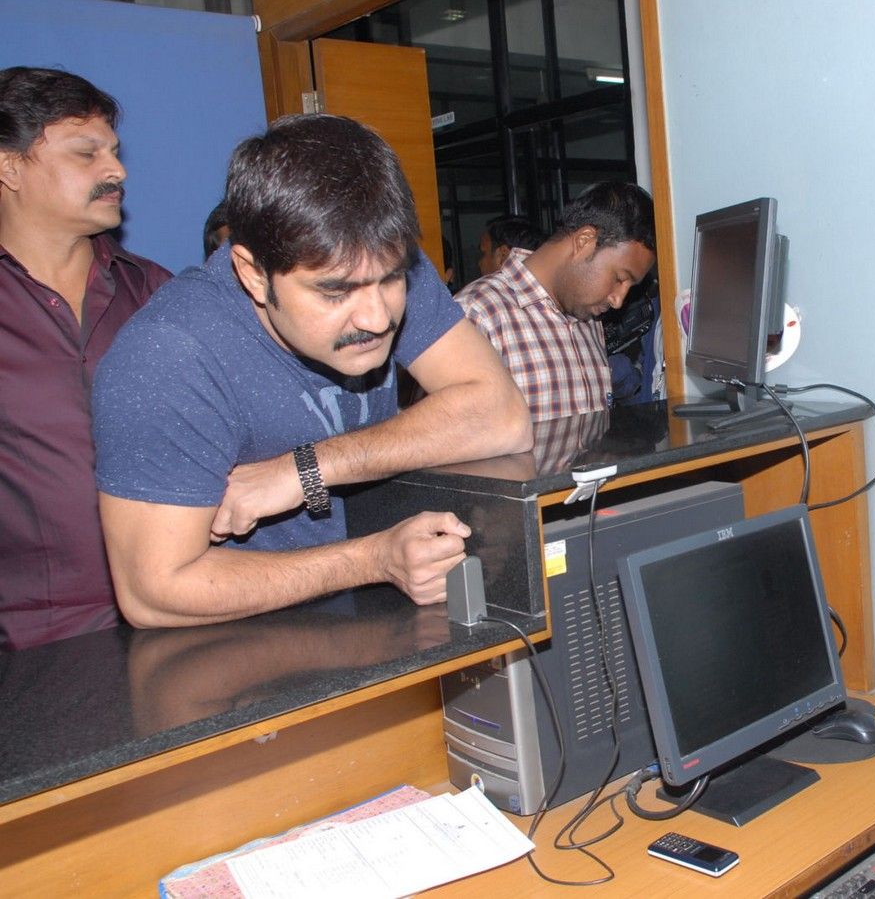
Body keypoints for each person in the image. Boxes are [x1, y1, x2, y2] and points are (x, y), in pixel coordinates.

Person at [92, 114, 532, 628]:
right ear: (253, 274)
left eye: (390, 279)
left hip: (389, 622)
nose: (378, 317)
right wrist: (373, 560)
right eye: (334, 292)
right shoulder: (166, 357)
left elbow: (502, 415)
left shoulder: (378, 262)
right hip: (246, 657)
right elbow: (154, 593)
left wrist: (303, 471)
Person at [0, 67, 173, 650]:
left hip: (177, 614)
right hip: (30, 644)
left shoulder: (155, 294)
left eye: (115, 152)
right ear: (9, 167)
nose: (116, 170)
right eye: (86, 153)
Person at [456, 182, 656, 422]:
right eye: (619, 278)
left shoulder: (587, 315)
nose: (618, 301)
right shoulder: (476, 314)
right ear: (584, 241)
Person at [476, 213, 544, 278]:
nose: (479, 263)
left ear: (503, 254)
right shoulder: (549, 284)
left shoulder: (483, 289)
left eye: (483, 253)